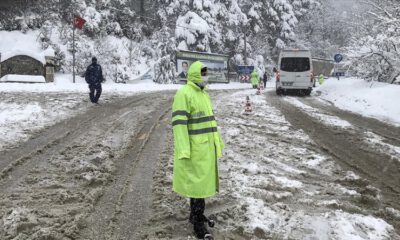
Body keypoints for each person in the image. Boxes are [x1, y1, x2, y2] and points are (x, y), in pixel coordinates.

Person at [172, 61, 224, 240]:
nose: (206, 76)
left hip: (205, 150)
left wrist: (218, 143)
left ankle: (197, 214)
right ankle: (197, 223)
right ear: (195, 74)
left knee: (200, 186)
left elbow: (210, 123)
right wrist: (184, 149)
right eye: (203, 73)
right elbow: (179, 125)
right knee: (197, 187)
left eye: (206, 73)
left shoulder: (204, 94)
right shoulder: (184, 93)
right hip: (195, 151)